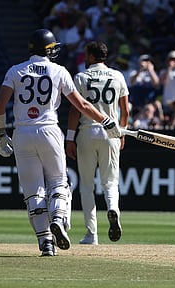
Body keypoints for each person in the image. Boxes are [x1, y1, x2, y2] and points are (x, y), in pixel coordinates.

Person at [0, 29, 121, 257]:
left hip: (22, 132)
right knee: (59, 184)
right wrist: (106, 120)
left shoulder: (15, 70)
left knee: (34, 192)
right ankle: (59, 220)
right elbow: (82, 105)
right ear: (49, 49)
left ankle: (46, 244)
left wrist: (2, 133)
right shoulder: (59, 71)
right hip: (50, 131)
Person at [66, 41, 130, 245]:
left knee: (86, 185)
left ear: (92, 56)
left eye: (86, 55)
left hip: (87, 132)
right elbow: (125, 109)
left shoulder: (81, 77)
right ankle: (113, 209)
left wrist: (69, 138)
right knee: (110, 182)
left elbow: (76, 110)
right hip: (111, 133)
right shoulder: (118, 76)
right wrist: (122, 133)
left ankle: (91, 234)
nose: (85, 58)